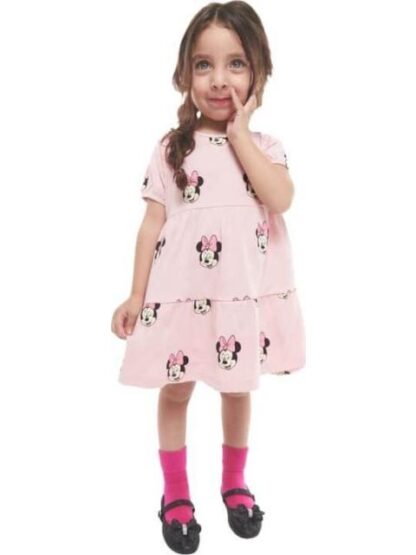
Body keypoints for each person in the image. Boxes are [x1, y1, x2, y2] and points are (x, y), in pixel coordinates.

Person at [111, 1, 306, 552]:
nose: (219, 79)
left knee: (237, 388)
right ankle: (175, 492)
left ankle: (234, 481)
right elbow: (151, 226)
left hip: (238, 299)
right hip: (182, 297)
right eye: (204, 65)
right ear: (184, 74)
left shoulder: (265, 149)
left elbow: (280, 199)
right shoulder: (171, 149)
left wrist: (240, 134)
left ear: (260, 72)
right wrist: (135, 294)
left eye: (236, 64)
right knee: (176, 391)